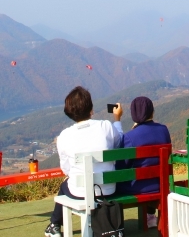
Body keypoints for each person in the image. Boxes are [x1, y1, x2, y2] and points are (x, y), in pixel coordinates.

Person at [44, 87, 124, 237]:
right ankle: (54, 224)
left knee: (64, 185)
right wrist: (117, 120)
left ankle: (54, 224)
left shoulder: (64, 136)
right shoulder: (106, 126)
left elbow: (66, 169)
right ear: (91, 109)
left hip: (79, 192)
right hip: (108, 189)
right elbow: (119, 142)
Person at [119, 97, 171, 229]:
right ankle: (151, 216)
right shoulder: (164, 130)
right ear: (152, 112)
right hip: (161, 184)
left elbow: (121, 167)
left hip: (138, 188)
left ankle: (117, 226)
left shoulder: (130, 137)